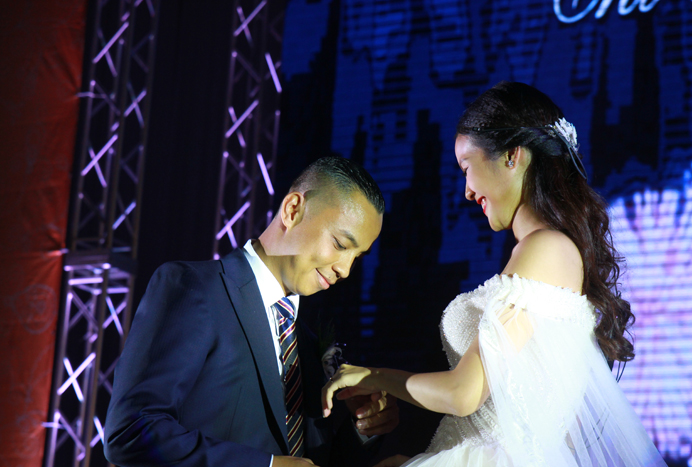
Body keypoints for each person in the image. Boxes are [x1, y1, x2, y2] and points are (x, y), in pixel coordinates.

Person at [322, 82, 667, 467]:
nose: (467, 192)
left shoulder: (544, 249)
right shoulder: (552, 254)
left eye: (467, 167)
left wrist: (371, 375)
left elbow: (464, 393)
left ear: (512, 156)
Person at [104, 157, 399, 467]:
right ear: (293, 210)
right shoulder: (195, 288)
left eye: (358, 257)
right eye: (340, 244)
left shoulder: (306, 343)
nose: (345, 269)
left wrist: (364, 427)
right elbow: (130, 431)